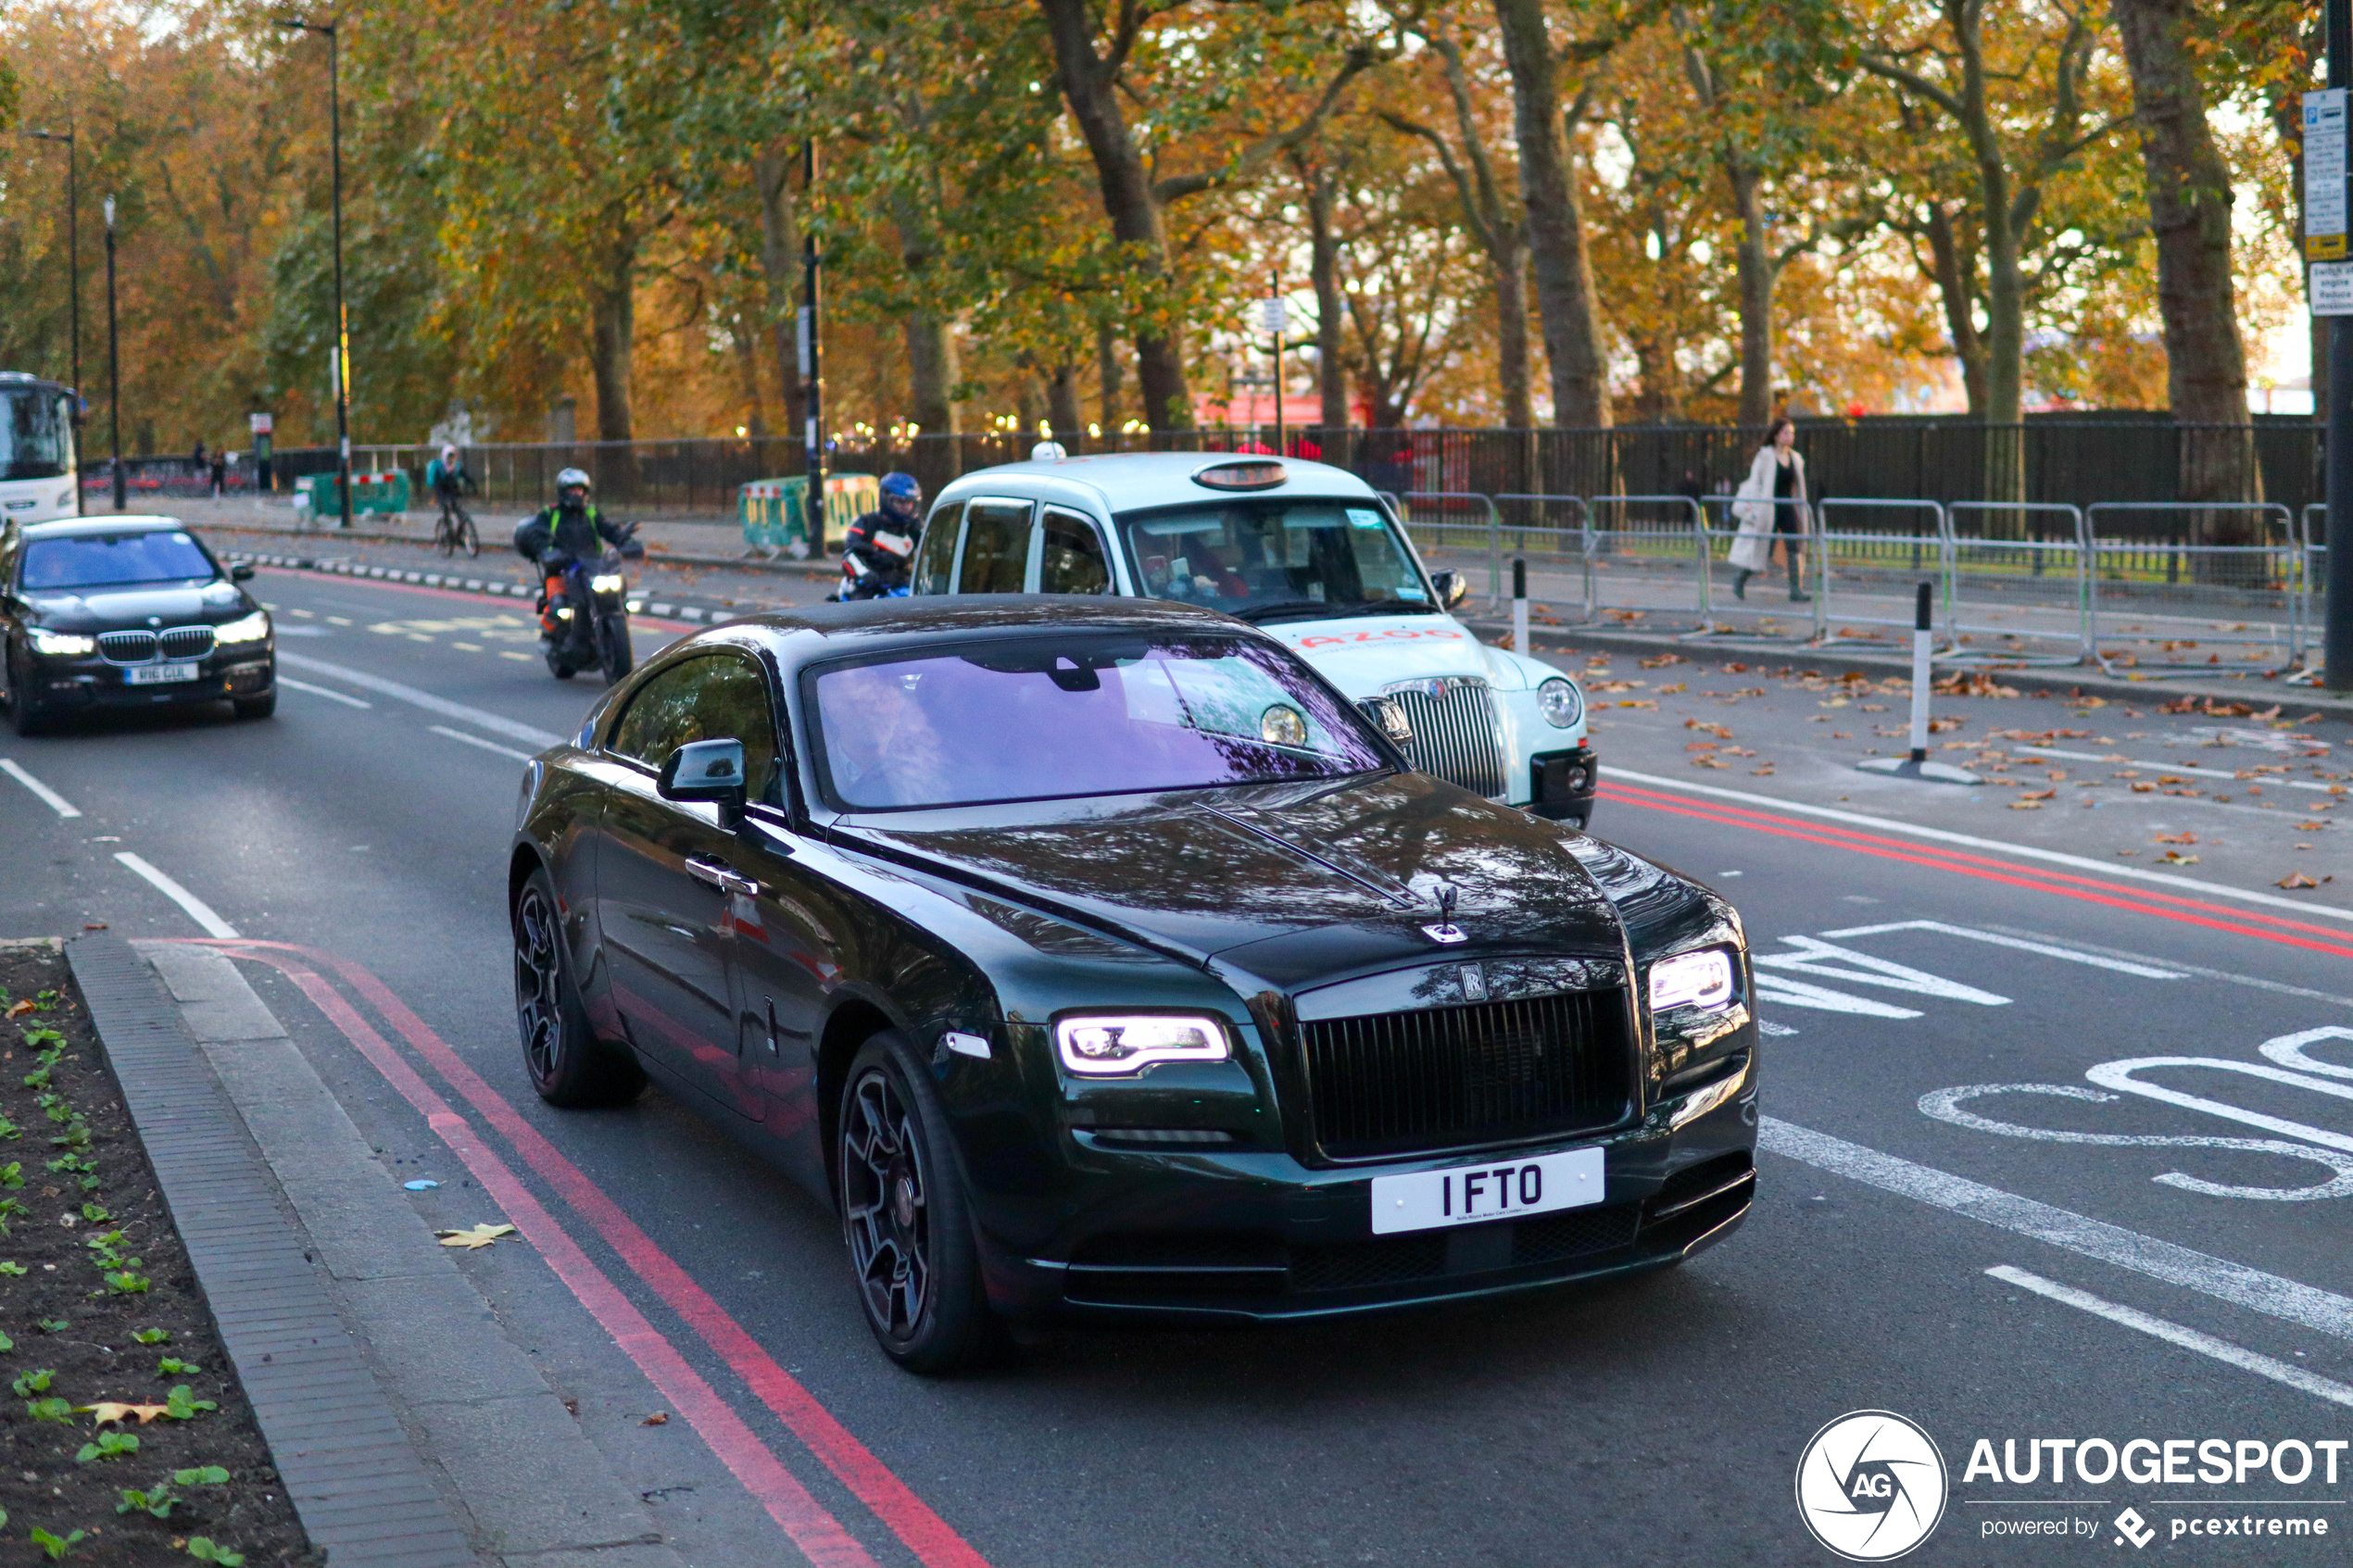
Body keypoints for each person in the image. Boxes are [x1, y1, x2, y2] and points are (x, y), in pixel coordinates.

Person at [1727, 417, 1810, 602]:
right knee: (1764, 547)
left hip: (1787, 507)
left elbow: (1797, 487)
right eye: (1786, 432)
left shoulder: (1795, 458)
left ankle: (1796, 589)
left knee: (1794, 546)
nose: (1790, 436)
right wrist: (1755, 506)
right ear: (1776, 435)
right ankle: (1740, 577)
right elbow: (1755, 482)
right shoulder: (1765, 456)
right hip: (1769, 507)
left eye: (1792, 433)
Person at [513, 467, 627, 569]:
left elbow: (609, 529)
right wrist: (547, 551)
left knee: (616, 588)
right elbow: (535, 534)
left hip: (592, 569)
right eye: (572, 490)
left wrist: (626, 542)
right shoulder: (551, 514)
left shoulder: (591, 513)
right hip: (559, 569)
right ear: (562, 492)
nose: (576, 494)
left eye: (579, 490)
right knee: (556, 592)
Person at [839, 472, 924, 596]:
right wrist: (866, 575)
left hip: (903, 586)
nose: (906, 507)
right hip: (870, 587)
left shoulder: (916, 528)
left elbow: (930, 554)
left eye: (909, 503)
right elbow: (849, 555)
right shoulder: (866, 523)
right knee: (862, 608)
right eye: (900, 502)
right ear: (885, 499)